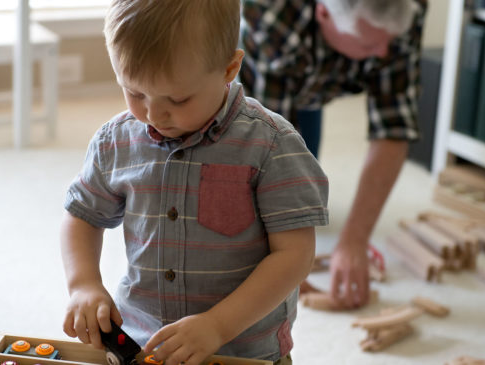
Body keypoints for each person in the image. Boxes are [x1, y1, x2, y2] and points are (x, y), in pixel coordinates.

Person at [60, 1, 329, 364]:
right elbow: (82, 216)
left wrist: (217, 325)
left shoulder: (271, 146)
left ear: (229, 69)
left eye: (178, 98)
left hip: (242, 352)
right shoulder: (116, 141)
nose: (154, 114)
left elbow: (295, 255)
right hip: (143, 347)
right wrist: (84, 284)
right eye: (135, 92)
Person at [240, 0, 427, 309]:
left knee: (309, 181)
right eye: (369, 41)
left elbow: (394, 128)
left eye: (389, 39)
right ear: (323, 12)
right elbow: (268, 148)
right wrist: (284, 260)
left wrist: (355, 240)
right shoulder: (272, 14)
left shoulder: (407, 10)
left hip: (315, 61)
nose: (384, 52)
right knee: (275, 170)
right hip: (271, 61)